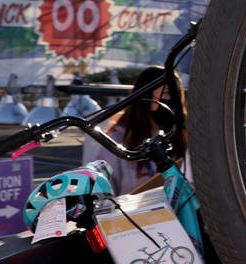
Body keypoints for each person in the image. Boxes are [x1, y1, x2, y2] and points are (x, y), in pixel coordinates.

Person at [80, 65, 188, 195]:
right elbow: (100, 195)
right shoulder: (118, 144)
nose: (171, 102)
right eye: (166, 94)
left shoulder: (185, 138)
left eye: (176, 96)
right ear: (145, 95)